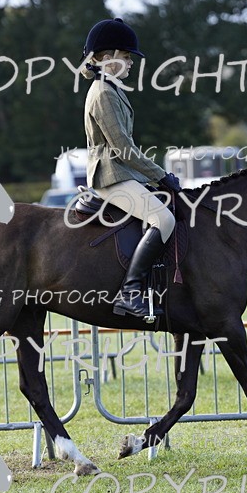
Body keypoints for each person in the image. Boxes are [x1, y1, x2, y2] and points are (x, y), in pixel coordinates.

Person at [80, 18, 181, 319]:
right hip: (111, 177)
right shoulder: (103, 93)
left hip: (123, 174)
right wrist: (160, 175)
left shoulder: (112, 88)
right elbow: (123, 149)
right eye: (125, 57)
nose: (130, 63)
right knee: (163, 219)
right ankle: (131, 293)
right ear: (106, 57)